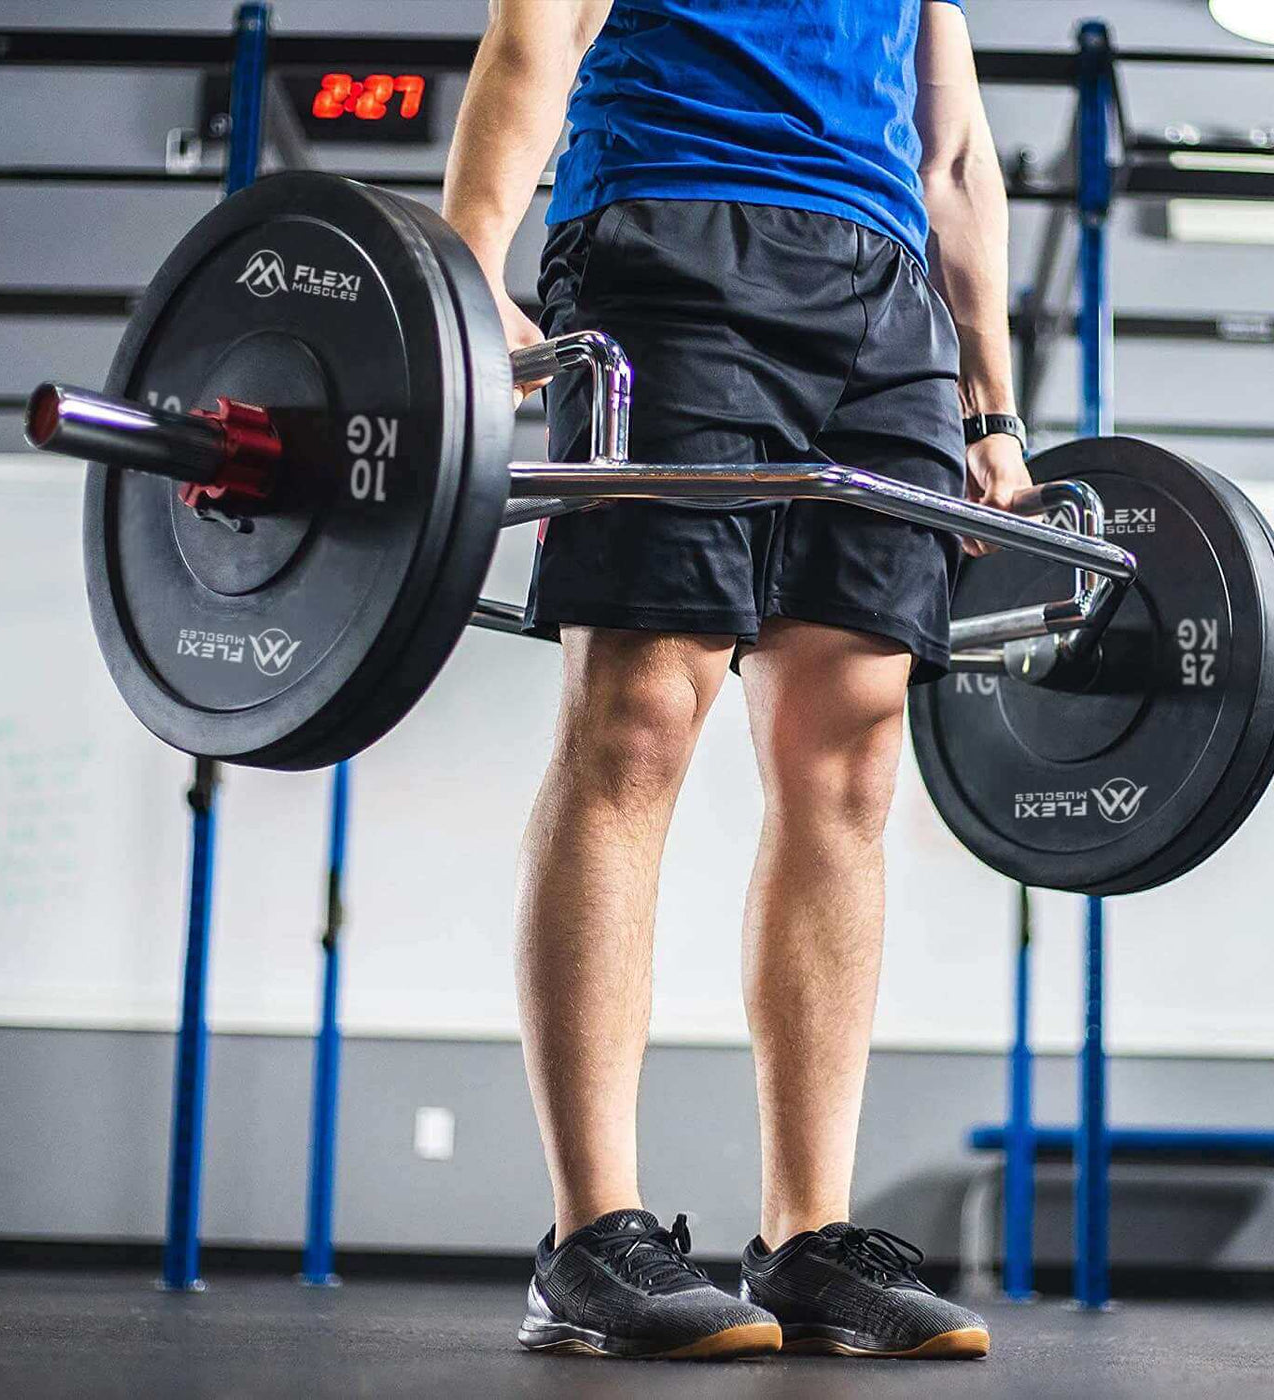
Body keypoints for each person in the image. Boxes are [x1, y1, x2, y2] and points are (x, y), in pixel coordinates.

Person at [443, 0, 1028, 1361]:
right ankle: (592, 1239)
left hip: (888, 298)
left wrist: (990, 397)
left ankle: (812, 1242)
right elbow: (547, 17)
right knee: (640, 713)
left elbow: (953, 148)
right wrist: (473, 243)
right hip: (670, 235)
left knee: (855, 750)